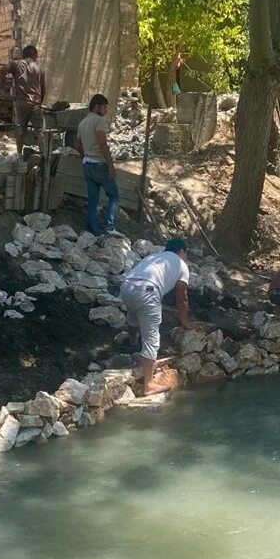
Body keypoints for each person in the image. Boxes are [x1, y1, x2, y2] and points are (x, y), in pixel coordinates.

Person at [120, 238, 198, 395]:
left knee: (135, 313)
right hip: (148, 291)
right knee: (152, 339)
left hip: (126, 287)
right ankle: (148, 385)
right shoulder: (181, 264)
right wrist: (185, 322)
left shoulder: (153, 257)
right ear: (181, 251)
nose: (186, 256)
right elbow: (182, 298)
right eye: (186, 253)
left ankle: (133, 341)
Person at [75, 93, 120, 235]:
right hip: (99, 164)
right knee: (114, 196)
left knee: (93, 198)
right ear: (97, 107)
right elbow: (103, 144)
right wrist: (111, 166)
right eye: (105, 107)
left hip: (87, 164)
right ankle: (110, 227)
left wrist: (85, 156)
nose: (106, 111)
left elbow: (79, 145)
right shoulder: (99, 121)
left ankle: (93, 229)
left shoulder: (82, 123)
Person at [0, 45, 45, 156]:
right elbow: (43, 89)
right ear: (34, 55)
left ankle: (19, 155)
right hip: (36, 103)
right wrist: (39, 102)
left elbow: (3, 69)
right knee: (40, 132)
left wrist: (2, 88)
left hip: (22, 103)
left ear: (23, 55)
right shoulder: (40, 69)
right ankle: (43, 156)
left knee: (20, 131)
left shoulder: (17, 64)